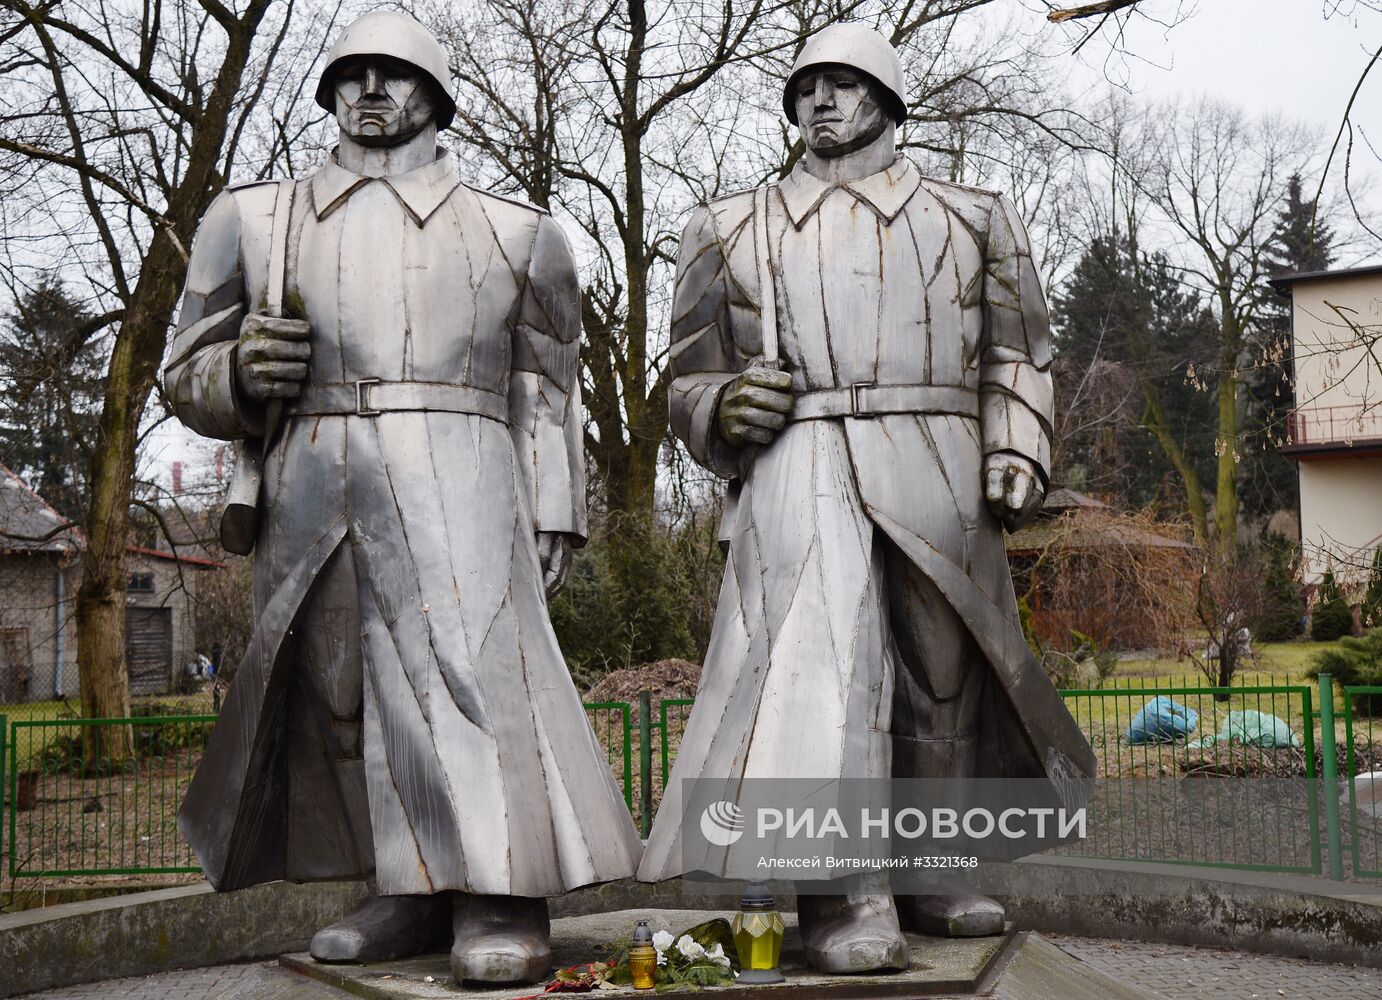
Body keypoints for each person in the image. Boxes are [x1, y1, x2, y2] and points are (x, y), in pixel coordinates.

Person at [163, 11, 640, 986]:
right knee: (340, 696)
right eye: (351, 71)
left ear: (435, 94)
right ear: (328, 91)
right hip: (311, 471)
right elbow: (184, 369)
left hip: (461, 465)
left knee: (466, 678)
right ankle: (404, 888)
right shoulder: (253, 220)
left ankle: (501, 891)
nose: (371, 87)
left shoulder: (519, 232)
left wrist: (555, 504)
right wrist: (240, 370)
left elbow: (548, 385)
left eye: (392, 71)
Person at [638, 22, 1093, 973]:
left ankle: (932, 864)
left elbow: (1019, 353)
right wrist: (724, 406)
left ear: (888, 98)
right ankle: (844, 896)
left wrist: (1017, 444)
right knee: (828, 669)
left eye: (844, 84)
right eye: (807, 88)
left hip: (936, 459)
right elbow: (686, 379)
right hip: (800, 462)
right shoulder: (729, 225)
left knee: (941, 675)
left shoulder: (973, 217)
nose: (823, 102)